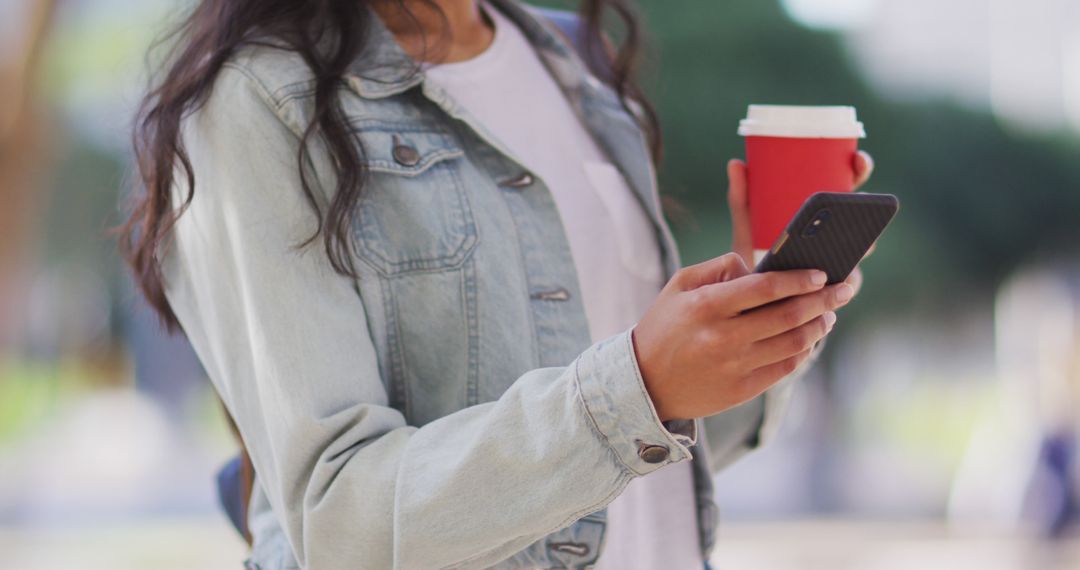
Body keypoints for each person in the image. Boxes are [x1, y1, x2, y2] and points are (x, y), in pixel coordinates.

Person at [119, 0, 872, 568]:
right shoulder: (257, 102)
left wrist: (759, 324)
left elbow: (652, 458)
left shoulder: (569, 62)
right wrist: (636, 388)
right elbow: (336, 515)